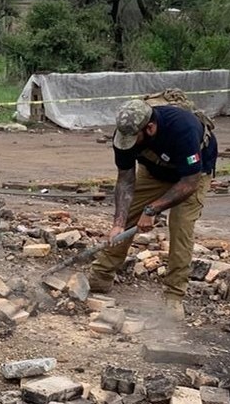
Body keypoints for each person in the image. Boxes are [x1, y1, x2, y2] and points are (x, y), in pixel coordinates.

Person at [88, 99, 217, 322]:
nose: (128, 144)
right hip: (154, 171)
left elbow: (188, 182)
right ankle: (101, 275)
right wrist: (118, 223)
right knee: (127, 215)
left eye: (134, 140)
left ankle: (174, 296)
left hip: (192, 176)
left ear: (150, 128)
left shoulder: (182, 129)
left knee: (180, 227)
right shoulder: (124, 137)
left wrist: (152, 209)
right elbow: (126, 180)